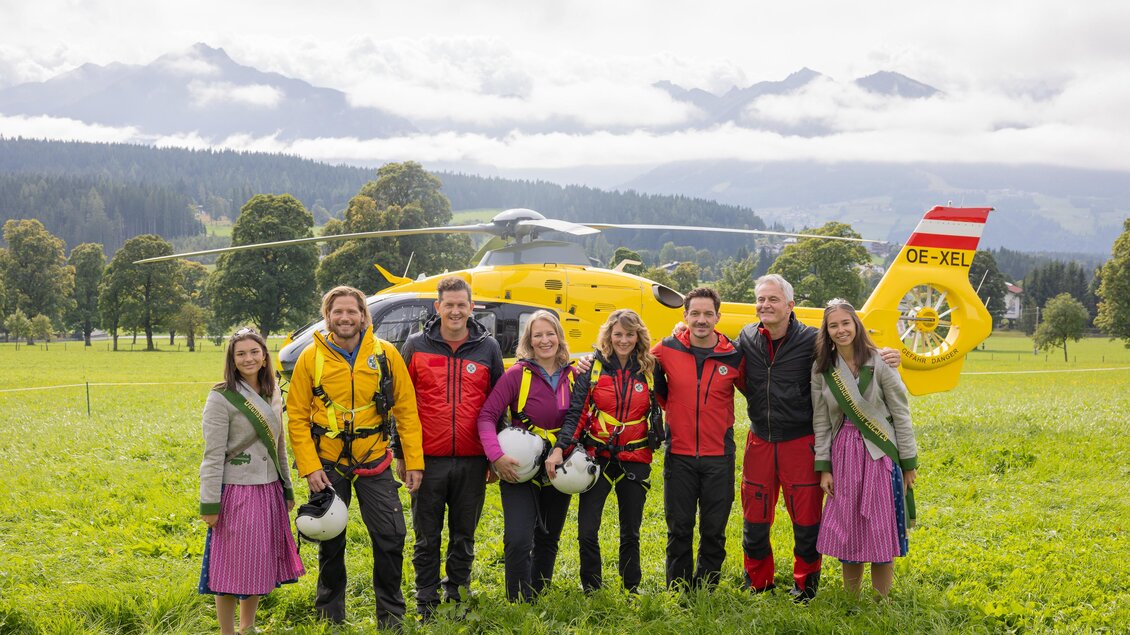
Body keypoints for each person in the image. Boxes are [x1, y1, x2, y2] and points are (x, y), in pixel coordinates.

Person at [737, 274, 898, 601]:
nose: (765, 305)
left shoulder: (813, 341)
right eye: (761, 299)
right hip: (760, 441)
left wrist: (883, 356)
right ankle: (758, 583)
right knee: (755, 519)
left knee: (807, 522)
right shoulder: (746, 337)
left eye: (773, 299)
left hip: (801, 442)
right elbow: (724, 357)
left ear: (790, 305)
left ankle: (805, 587)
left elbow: (850, 354)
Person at [287, 286, 424, 628]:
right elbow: (297, 416)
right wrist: (309, 467)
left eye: (352, 311)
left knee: (391, 536)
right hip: (328, 464)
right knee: (329, 539)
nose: (345, 318)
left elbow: (406, 410)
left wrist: (413, 461)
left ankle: (391, 616)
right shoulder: (311, 357)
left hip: (374, 459)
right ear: (327, 316)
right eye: (338, 312)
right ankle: (329, 616)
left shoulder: (385, 355)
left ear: (364, 316)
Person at [402, 276, 504, 618]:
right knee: (426, 537)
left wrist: (494, 457)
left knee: (464, 534)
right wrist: (402, 454)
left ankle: (457, 594)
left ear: (471, 307)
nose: (456, 311)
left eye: (462, 305)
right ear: (438, 307)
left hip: (474, 460)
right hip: (427, 459)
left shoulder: (488, 349)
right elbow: (400, 405)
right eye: (450, 305)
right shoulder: (415, 345)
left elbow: (497, 406)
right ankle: (426, 600)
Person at [546, 308, 660, 593]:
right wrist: (561, 448)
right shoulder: (592, 367)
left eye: (629, 334)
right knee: (586, 530)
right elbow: (577, 413)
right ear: (609, 335)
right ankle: (592, 587)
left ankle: (631, 586)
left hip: (636, 457)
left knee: (631, 531)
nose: (623, 340)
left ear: (638, 336)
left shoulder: (651, 368)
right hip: (596, 458)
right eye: (617, 334)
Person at [198, 328, 304, 635]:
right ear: (232, 359)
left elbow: (279, 445)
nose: (248, 358)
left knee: (257, 560)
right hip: (235, 490)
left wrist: (286, 487)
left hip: (269, 487)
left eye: (254, 352)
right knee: (229, 565)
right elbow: (213, 454)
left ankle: (248, 626)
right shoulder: (221, 397)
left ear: (264, 356)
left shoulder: (272, 393)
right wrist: (210, 503)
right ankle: (227, 631)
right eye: (240, 353)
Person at [811, 299, 918, 598]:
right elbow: (820, 420)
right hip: (844, 453)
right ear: (827, 331)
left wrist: (908, 464)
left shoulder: (879, 360)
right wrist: (824, 468)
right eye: (834, 325)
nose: (841, 329)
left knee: (881, 525)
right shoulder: (822, 369)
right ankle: (851, 598)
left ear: (856, 325)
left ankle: (881, 600)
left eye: (846, 323)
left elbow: (901, 413)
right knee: (849, 526)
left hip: (880, 452)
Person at [476, 310, 579, 602]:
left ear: (559, 338)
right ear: (529, 341)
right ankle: (517, 598)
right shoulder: (516, 375)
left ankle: (539, 591)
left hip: (559, 465)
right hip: (519, 464)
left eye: (550, 334)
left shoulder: (575, 376)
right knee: (519, 538)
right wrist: (495, 457)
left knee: (549, 536)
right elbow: (487, 416)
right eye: (538, 335)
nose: (545, 340)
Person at [652, 287, 745, 590]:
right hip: (678, 454)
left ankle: (706, 586)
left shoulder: (734, 355)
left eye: (708, 314)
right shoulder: (666, 349)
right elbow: (627, 358)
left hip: (719, 455)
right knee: (679, 527)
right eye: (695, 313)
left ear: (718, 317)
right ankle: (678, 588)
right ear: (685, 316)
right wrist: (590, 361)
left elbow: (762, 389)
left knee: (714, 528)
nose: (701, 320)